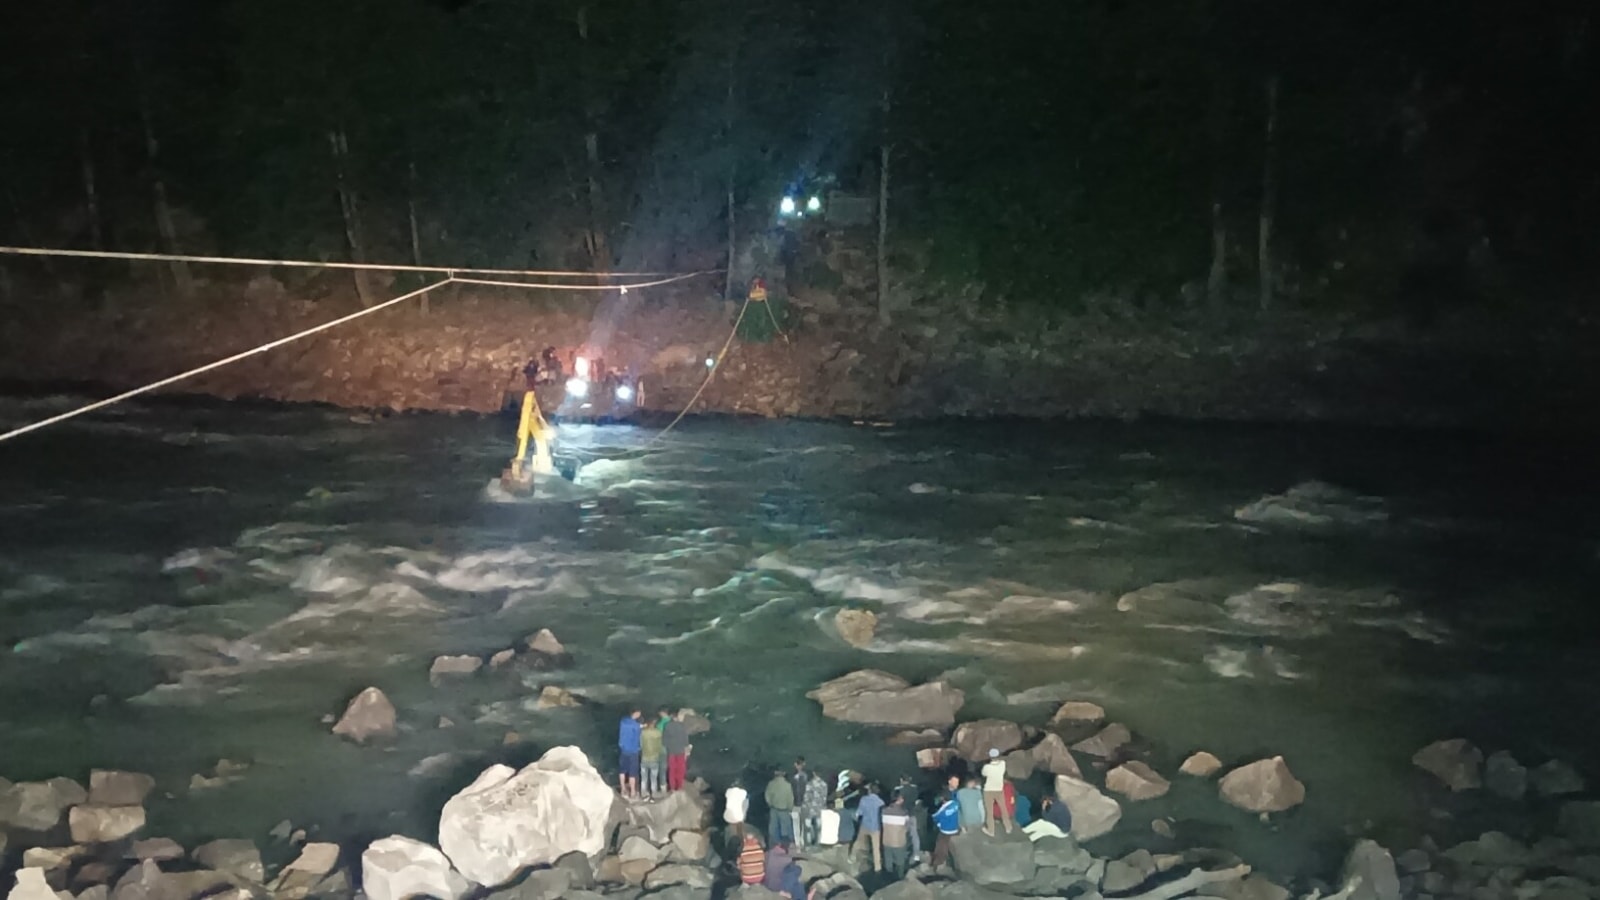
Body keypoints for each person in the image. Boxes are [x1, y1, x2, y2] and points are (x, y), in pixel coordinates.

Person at [880, 795, 922, 880]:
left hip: (886, 840)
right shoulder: (903, 813)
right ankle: (900, 878)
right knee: (900, 861)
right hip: (898, 842)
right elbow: (906, 827)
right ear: (899, 800)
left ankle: (888, 878)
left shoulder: (884, 811)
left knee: (888, 860)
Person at [852, 781, 885, 871]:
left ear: (870, 790)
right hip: (875, 827)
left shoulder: (863, 799)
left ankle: (852, 857)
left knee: (858, 841)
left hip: (865, 825)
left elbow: (859, 812)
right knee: (876, 848)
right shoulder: (880, 802)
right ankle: (877, 867)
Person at [980, 749, 1014, 836]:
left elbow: (983, 774)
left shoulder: (987, 767)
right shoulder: (1003, 764)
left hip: (989, 790)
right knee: (1004, 808)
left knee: (989, 811)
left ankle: (991, 830)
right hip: (999, 789)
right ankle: (1008, 827)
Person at [930, 790, 962, 874]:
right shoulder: (956, 803)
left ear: (943, 799)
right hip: (956, 829)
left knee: (940, 848)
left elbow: (935, 817)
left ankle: (937, 864)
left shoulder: (942, 809)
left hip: (945, 832)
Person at [766, 767, 796, 846]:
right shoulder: (788, 785)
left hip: (774, 809)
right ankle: (787, 846)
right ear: (784, 773)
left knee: (773, 830)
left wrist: (770, 804)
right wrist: (790, 808)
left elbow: (767, 796)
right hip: (784, 810)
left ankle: (774, 846)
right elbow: (790, 798)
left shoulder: (771, 784)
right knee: (786, 830)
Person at [617, 709, 643, 800]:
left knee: (622, 771)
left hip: (623, 750)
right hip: (633, 751)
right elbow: (638, 733)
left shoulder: (623, 722)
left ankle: (623, 789)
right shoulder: (636, 726)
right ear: (636, 713)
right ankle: (632, 792)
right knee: (632, 773)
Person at [663, 709, 691, 791]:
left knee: (672, 770)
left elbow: (664, 740)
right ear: (677, 717)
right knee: (680, 769)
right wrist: (687, 749)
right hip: (680, 751)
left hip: (671, 751)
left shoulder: (667, 725)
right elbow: (686, 740)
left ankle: (672, 787)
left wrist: (668, 746)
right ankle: (679, 786)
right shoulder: (682, 726)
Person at [801, 768, 830, 848]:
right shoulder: (824, 784)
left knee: (808, 828)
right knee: (819, 827)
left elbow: (806, 798)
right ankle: (818, 843)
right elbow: (824, 798)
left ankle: (808, 845)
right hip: (820, 809)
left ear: (814, 773)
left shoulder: (809, 784)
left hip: (810, 809)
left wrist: (804, 807)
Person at [639, 712, 665, 799]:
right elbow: (660, 745)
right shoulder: (658, 733)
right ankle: (654, 793)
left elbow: (641, 744)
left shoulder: (643, 732)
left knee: (644, 778)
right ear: (654, 723)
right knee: (653, 778)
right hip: (654, 758)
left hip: (644, 757)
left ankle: (643, 793)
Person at [789, 758, 809, 848]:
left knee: (801, 824)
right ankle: (798, 842)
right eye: (799, 764)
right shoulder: (793, 776)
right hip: (796, 804)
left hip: (801, 803)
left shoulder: (804, 776)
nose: (799, 766)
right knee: (796, 824)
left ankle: (801, 842)